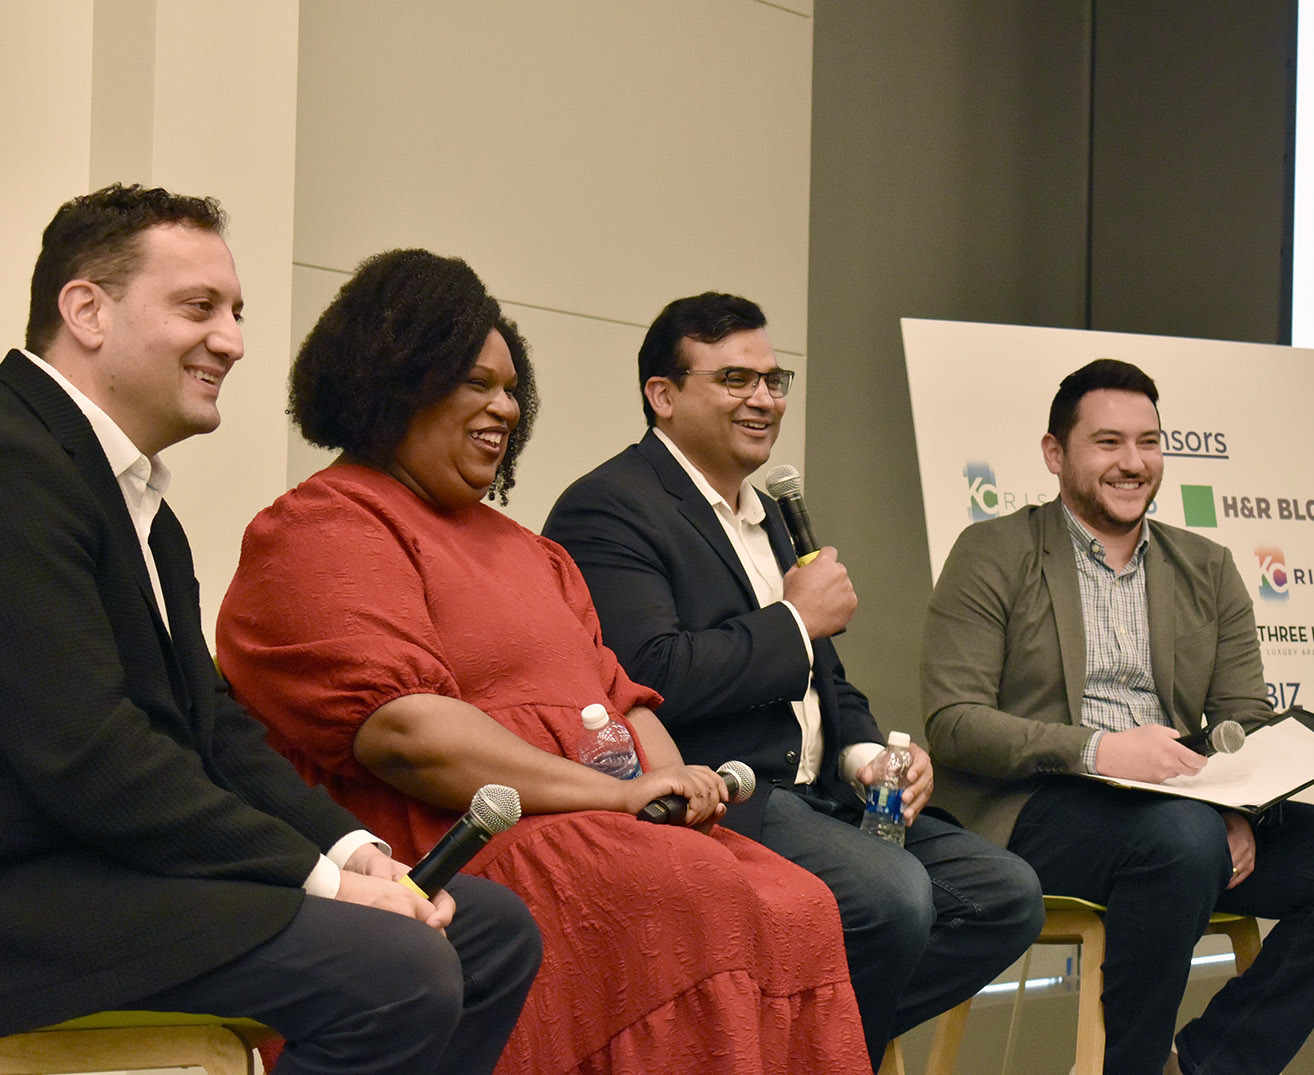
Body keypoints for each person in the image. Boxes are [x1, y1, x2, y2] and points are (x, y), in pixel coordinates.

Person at [216, 253, 869, 1075]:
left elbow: (624, 699)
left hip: (610, 822)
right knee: (682, 897)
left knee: (798, 903)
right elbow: (409, 736)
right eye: (473, 382)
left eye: (511, 387)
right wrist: (618, 795)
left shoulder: (535, 553)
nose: (503, 407)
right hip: (455, 840)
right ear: (392, 380)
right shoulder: (321, 525)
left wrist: (676, 787)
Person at [0, 186, 540, 1075]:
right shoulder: (17, 461)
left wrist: (357, 854)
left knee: (490, 928)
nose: (234, 340)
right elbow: (90, 756)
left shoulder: (136, 499)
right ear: (86, 309)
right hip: (37, 897)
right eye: (198, 307)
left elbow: (216, 728)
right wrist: (317, 883)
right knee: (399, 969)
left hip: (113, 870)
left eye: (237, 312)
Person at [543, 291, 1044, 1066]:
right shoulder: (609, 507)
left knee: (1002, 895)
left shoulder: (769, 510)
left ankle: (795, 1047)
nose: (764, 399)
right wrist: (792, 621)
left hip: (826, 796)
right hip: (729, 795)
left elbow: (825, 678)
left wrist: (869, 756)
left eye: (775, 381)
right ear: (663, 395)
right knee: (892, 897)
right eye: (736, 379)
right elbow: (649, 673)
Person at [921, 359, 1314, 1075]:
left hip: (1185, 806)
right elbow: (954, 721)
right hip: (1038, 807)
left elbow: (1246, 718)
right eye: (1108, 442)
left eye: (1148, 441)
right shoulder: (994, 552)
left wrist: (1240, 810)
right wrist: (1098, 750)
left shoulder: (1207, 566)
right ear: (1055, 454)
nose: (1133, 463)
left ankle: (1204, 1063)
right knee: (1182, 841)